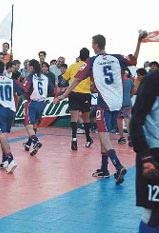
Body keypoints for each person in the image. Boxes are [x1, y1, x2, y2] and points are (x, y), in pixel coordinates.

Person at [54, 33, 145, 185]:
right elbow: (134, 60)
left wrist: (64, 94)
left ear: (96, 45)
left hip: (104, 103)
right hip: (118, 102)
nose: (92, 46)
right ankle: (104, 168)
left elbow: (76, 79)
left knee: (104, 137)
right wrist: (139, 41)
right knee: (106, 134)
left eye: (92, 43)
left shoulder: (92, 61)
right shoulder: (117, 58)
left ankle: (118, 165)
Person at [130, 70, 159, 232]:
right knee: (154, 212)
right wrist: (146, 157)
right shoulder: (152, 81)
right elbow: (135, 121)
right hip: (154, 153)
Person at [0, 60, 27, 173]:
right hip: (11, 110)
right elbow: (23, 90)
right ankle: (4, 160)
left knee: (1, 134)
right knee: (3, 135)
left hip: (0, 109)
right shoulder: (11, 80)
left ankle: (10, 158)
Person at [62, 48, 93, 150]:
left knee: (74, 118)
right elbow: (93, 82)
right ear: (88, 57)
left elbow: (64, 78)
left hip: (73, 93)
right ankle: (88, 139)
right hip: (85, 93)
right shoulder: (89, 67)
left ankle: (74, 139)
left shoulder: (73, 66)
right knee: (86, 118)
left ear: (79, 56)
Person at [22, 59, 49, 156]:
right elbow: (51, 90)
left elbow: (25, 89)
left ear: (32, 68)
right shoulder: (45, 77)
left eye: (28, 66)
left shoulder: (30, 77)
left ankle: (35, 141)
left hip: (32, 103)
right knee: (35, 124)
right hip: (42, 103)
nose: (27, 67)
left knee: (28, 125)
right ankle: (28, 144)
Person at [117, 68, 136, 146]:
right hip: (127, 101)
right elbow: (134, 90)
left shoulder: (118, 81)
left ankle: (122, 137)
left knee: (119, 119)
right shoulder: (130, 81)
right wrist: (130, 95)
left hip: (118, 102)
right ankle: (130, 136)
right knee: (127, 118)